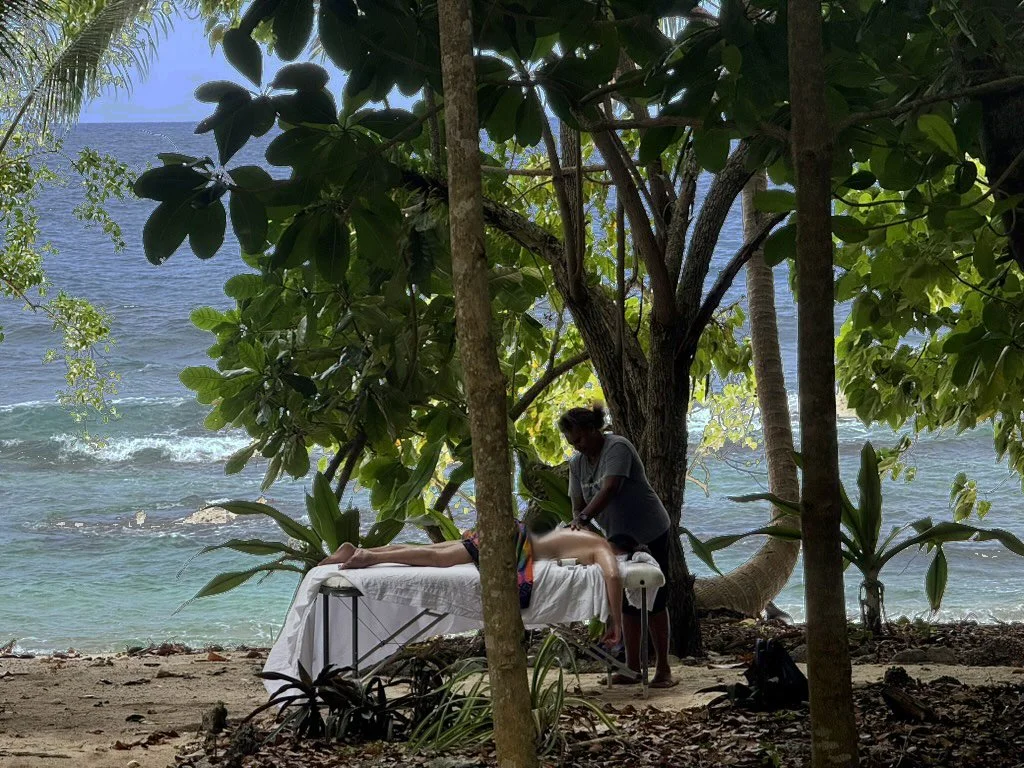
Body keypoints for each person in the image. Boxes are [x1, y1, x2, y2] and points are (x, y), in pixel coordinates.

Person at [319, 524, 623, 647]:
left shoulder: (583, 531)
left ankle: (365, 550)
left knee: (439, 552)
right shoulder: (603, 548)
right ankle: (369, 556)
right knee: (438, 560)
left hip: (515, 533)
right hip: (516, 545)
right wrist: (616, 623)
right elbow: (612, 575)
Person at [559, 404, 677, 688]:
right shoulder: (577, 464)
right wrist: (583, 527)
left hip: (649, 530)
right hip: (618, 537)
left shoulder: (617, 447)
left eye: (580, 440)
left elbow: (610, 488)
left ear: (593, 430)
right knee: (627, 600)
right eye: (572, 443)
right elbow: (578, 505)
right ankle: (632, 667)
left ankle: (663, 668)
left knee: (655, 599)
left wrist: (585, 516)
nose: (578, 447)